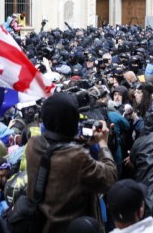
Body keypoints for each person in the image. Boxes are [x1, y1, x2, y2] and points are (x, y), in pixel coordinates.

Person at [25, 92, 117, 232]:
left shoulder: (32, 145)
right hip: (75, 228)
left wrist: (83, 143)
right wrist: (103, 144)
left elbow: (56, 147)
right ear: (72, 121)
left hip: (43, 225)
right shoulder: (77, 157)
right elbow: (109, 178)